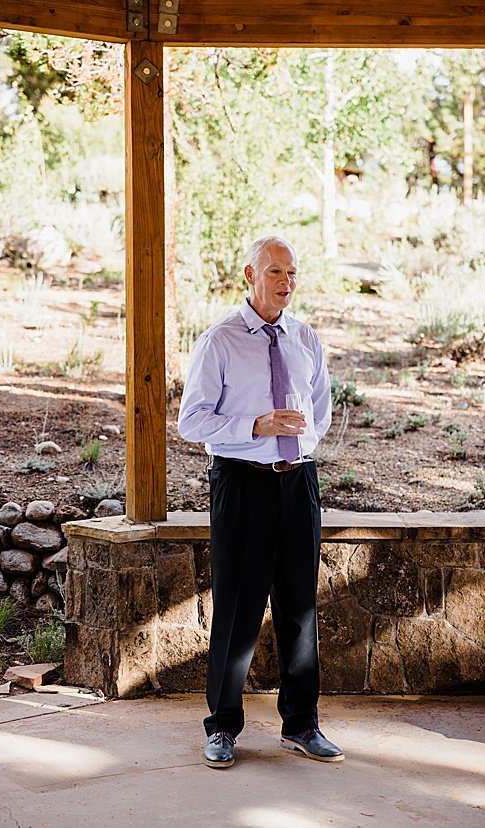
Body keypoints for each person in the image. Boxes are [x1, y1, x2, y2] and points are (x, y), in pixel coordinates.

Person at [176, 236, 339, 769]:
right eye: (275, 272)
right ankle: (222, 727)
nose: (286, 282)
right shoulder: (219, 341)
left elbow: (321, 414)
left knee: (299, 608)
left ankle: (302, 725)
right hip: (243, 485)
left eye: (292, 273)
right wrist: (257, 426)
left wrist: (296, 443)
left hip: (298, 484)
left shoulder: (306, 339)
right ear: (249, 273)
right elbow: (192, 422)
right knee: (238, 611)